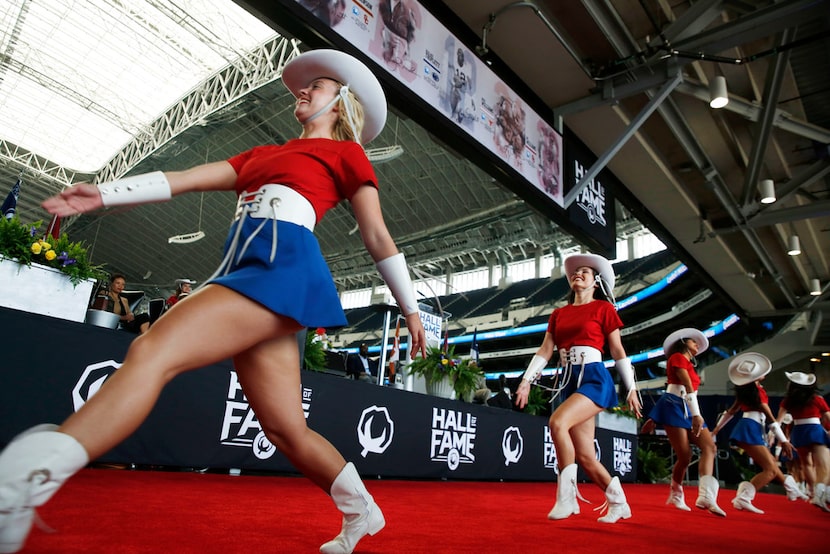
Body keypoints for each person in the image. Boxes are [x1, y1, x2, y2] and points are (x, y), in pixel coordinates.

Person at [0, 48, 427, 554]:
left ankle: (26, 481)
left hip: (279, 271)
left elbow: (376, 234)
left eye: (319, 86)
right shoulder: (261, 154)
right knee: (286, 429)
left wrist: (411, 308)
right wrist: (105, 194)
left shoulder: (345, 153)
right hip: (246, 275)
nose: (304, 90)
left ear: (341, 102)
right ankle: (362, 510)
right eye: (304, 85)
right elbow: (184, 181)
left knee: (151, 352)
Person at [514, 252, 641, 524]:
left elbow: (618, 351)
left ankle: (567, 499)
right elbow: (545, 350)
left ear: (596, 282)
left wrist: (630, 388)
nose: (577, 274)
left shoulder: (604, 309)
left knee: (557, 422)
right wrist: (526, 381)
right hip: (569, 379)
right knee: (585, 455)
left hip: (594, 377)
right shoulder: (559, 314)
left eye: (585, 272)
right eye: (574, 272)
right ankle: (619, 503)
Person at [710, 352, 807, 513]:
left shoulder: (747, 391)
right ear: (756, 376)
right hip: (751, 428)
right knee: (770, 470)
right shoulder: (757, 392)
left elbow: (731, 412)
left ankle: (791, 489)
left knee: (772, 467)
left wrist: (717, 429)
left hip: (748, 428)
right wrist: (783, 440)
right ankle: (744, 498)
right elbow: (770, 418)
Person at [647, 328, 725, 515]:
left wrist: (695, 413)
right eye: (693, 342)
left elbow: (691, 389)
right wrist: (697, 414)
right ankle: (676, 493)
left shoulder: (690, 364)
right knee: (685, 455)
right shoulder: (677, 357)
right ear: (683, 343)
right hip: (674, 405)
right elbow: (687, 385)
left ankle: (706, 496)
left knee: (710, 447)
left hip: (689, 406)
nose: (697, 344)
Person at [776, 371, 830, 512]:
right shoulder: (817, 398)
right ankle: (819, 495)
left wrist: (779, 438)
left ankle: (812, 491)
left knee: (806, 464)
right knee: (824, 466)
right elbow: (828, 418)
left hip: (798, 432)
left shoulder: (787, 401)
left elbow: (777, 422)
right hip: (815, 430)